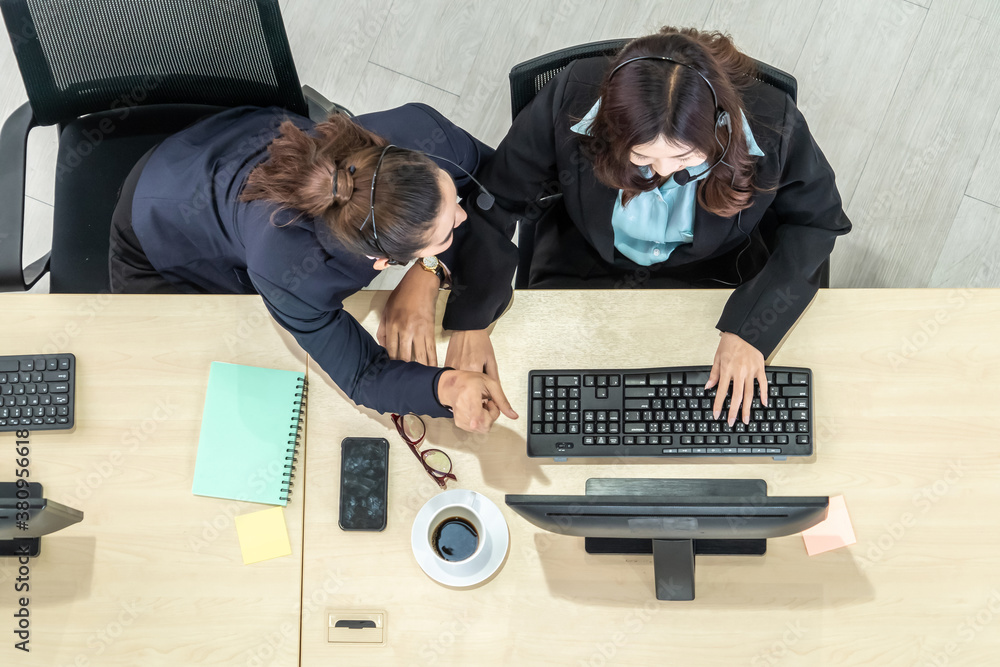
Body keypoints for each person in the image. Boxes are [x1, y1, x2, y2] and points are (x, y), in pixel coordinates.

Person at [415, 26, 852, 426]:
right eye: (642, 157)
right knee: (547, 401)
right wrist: (470, 318)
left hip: (715, 275)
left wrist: (752, 328)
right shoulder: (571, 98)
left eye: (684, 158)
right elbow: (499, 197)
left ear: (719, 126)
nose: (663, 172)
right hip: (584, 258)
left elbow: (817, 222)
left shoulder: (774, 124)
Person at [108, 103, 517, 433]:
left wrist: (429, 269)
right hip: (160, 220)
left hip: (234, 138)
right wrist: (446, 386)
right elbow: (361, 374)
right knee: (179, 377)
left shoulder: (425, 135)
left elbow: (498, 192)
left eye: (449, 193)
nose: (464, 221)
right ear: (382, 261)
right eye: (445, 235)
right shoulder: (290, 273)